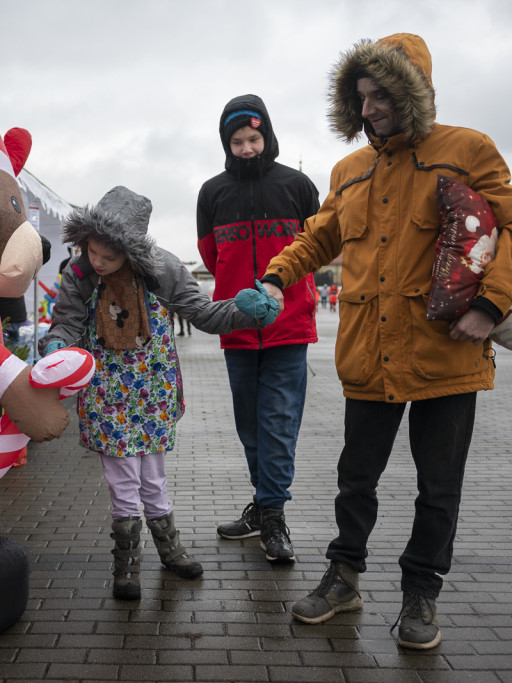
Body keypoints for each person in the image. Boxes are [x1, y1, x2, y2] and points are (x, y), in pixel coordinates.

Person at [260, 34, 512, 649]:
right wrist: (276, 275)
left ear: (414, 90)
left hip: (448, 349)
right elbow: (319, 238)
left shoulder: (467, 149)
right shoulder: (349, 169)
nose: (368, 110)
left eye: (381, 95)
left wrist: (491, 306)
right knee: (354, 477)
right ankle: (345, 576)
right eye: (360, 97)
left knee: (437, 486)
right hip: (369, 350)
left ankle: (421, 593)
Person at [40, 186, 277, 600]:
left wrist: (245, 311)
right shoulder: (79, 273)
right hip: (105, 389)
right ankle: (127, 566)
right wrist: (57, 346)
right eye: (93, 252)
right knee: (121, 479)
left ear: (131, 251)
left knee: (153, 475)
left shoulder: (163, 268)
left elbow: (203, 313)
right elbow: (66, 322)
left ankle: (171, 551)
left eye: (109, 257)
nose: (98, 262)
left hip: (153, 386)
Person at [196, 94, 321, 563]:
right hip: (237, 329)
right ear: (226, 144)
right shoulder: (212, 193)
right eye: (237, 141)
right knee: (250, 426)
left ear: (267, 136)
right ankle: (263, 506)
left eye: (253, 138)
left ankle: (272, 515)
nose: (246, 149)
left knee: (278, 425)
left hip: (289, 328)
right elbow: (212, 256)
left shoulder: (298, 185)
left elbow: (317, 246)